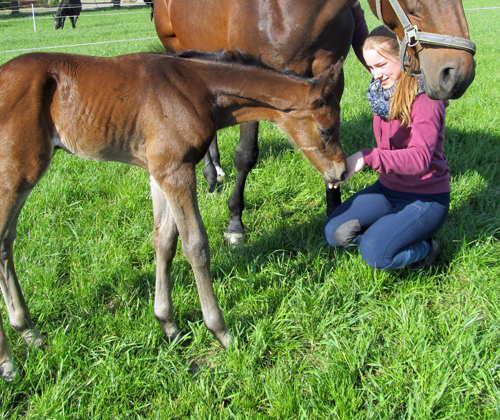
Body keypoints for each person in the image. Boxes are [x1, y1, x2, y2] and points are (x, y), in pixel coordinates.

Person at [323, 26, 450, 270]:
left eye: (381, 65)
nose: (376, 74)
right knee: (334, 233)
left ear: (405, 57)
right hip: (388, 188)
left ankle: (425, 249)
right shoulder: (382, 95)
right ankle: (389, 232)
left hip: (426, 197)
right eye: (371, 67)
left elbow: (420, 159)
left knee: (376, 254)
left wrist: (367, 157)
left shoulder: (426, 99)